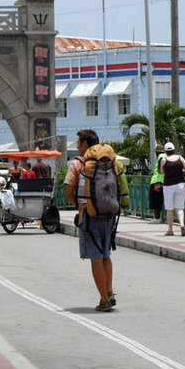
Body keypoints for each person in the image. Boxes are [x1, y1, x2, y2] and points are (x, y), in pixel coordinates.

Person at [63, 129, 117, 312]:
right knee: (105, 255)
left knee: (95, 256)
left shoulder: (78, 164)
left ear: (85, 144)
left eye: (78, 143)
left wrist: (81, 205)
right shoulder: (111, 161)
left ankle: (104, 300)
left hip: (89, 215)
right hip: (109, 213)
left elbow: (68, 192)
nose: (77, 146)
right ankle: (109, 291)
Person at [159, 142, 185, 237]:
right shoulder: (180, 158)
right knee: (180, 208)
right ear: (174, 150)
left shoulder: (164, 160)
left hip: (168, 186)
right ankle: (182, 224)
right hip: (180, 185)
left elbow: (162, 172)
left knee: (169, 209)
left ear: (166, 151)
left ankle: (170, 230)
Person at [148, 144, 167, 224]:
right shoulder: (167, 155)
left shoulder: (161, 156)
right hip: (165, 181)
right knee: (164, 200)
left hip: (157, 181)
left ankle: (157, 217)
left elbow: (161, 167)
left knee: (155, 200)